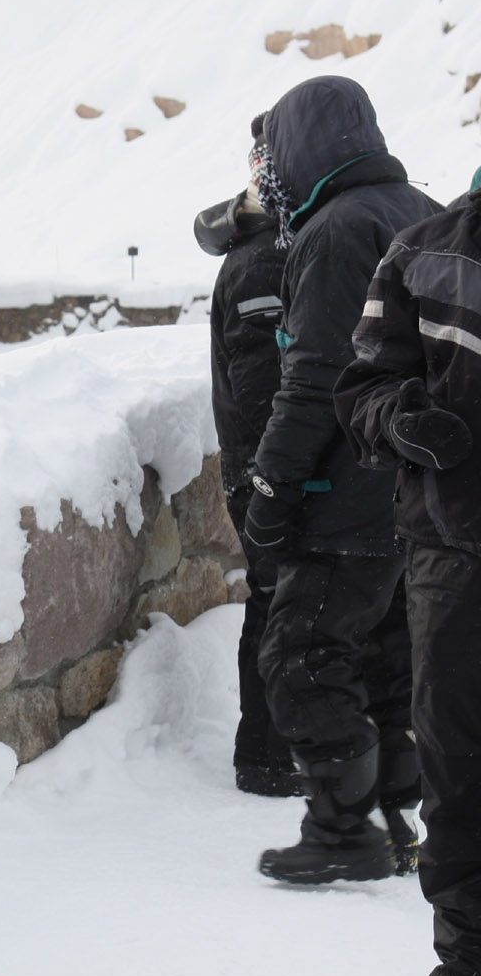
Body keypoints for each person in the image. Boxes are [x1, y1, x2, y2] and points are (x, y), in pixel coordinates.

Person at [242, 75, 438, 884]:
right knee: (387, 654)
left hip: (343, 490)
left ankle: (342, 829)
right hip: (410, 483)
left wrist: (271, 488)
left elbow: (317, 373)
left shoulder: (334, 229)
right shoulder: (417, 208)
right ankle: (394, 817)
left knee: (302, 654)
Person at [335, 167, 481, 976]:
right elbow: (359, 386)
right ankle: (468, 968)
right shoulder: (424, 253)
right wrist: (402, 420)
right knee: (459, 761)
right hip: (455, 552)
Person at [193, 118, 297, 798]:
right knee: (275, 601)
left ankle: (271, 751)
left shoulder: (274, 248)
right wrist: (278, 473)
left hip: (265, 464)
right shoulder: (265, 260)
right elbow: (265, 387)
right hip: (266, 467)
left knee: (279, 600)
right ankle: (262, 757)